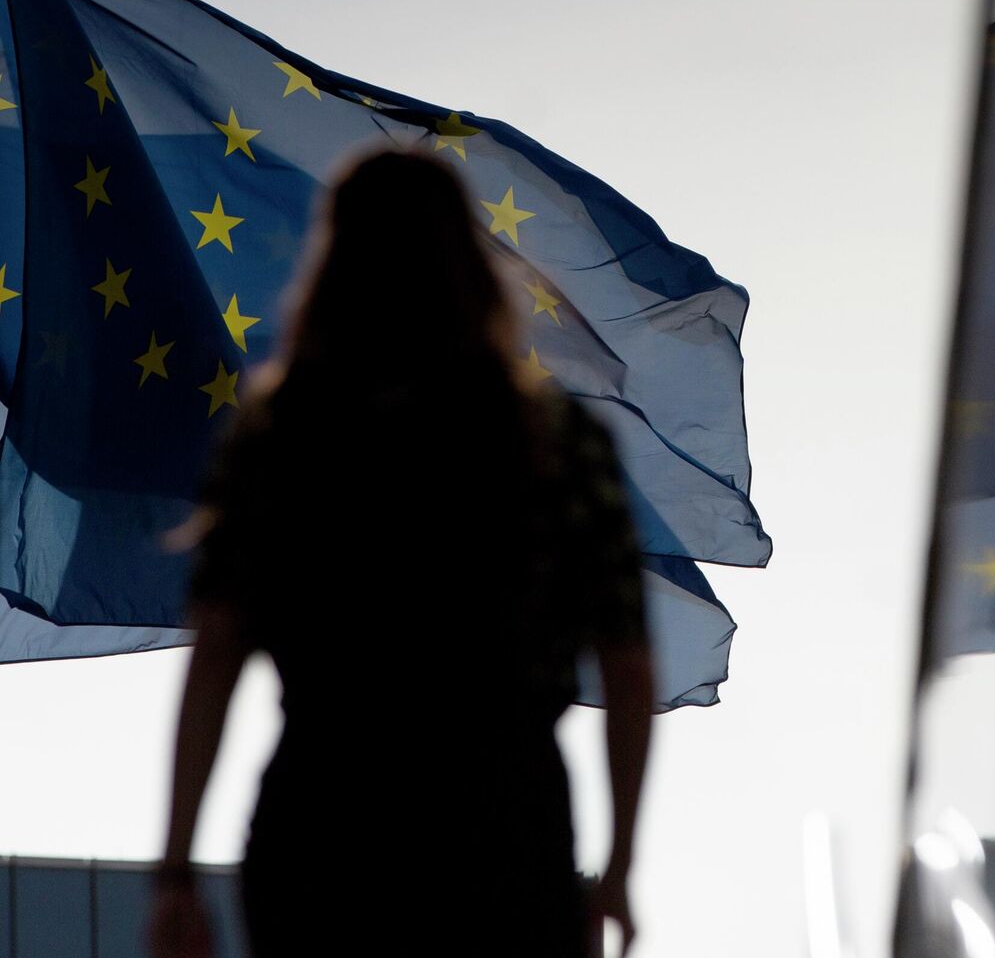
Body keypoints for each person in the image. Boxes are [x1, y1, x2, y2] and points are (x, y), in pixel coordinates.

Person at [144, 148, 658, 958]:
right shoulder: (557, 443)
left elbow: (217, 653)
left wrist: (175, 873)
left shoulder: (282, 439)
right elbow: (626, 664)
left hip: (325, 828)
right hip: (504, 829)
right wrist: (620, 865)